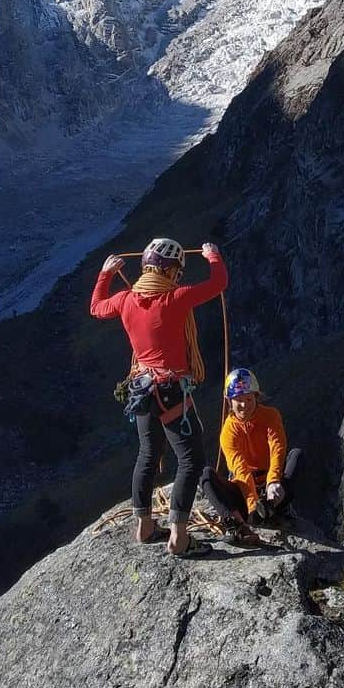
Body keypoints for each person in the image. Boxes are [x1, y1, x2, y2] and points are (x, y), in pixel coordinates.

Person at [91, 238, 227, 558]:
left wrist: (105, 274)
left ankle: (145, 526)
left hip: (140, 386)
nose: (179, 277)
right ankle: (179, 539)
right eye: (177, 271)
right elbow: (219, 282)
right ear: (169, 271)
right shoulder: (176, 299)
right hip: (170, 389)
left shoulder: (125, 300)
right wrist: (213, 256)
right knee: (191, 460)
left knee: (148, 453)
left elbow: (96, 308)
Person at [199, 368, 304, 545]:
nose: (244, 405)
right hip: (245, 492)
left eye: (248, 399)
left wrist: (273, 482)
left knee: (297, 455)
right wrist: (252, 504)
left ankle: (277, 507)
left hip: (273, 489)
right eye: (238, 400)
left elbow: (277, 448)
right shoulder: (228, 431)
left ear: (256, 397)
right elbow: (240, 469)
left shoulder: (270, 416)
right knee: (205, 475)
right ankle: (236, 524)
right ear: (229, 401)